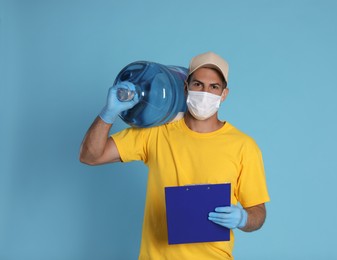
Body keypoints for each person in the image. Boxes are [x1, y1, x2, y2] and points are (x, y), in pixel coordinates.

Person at [79, 51, 270, 259]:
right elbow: (90, 156)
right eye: (198, 84)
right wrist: (108, 113)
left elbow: (258, 213)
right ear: (186, 87)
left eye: (213, 87)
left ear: (224, 94)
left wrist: (243, 218)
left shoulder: (243, 146)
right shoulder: (156, 132)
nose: (205, 92)